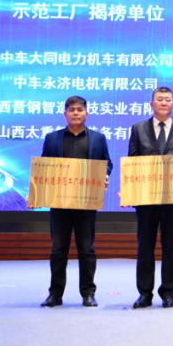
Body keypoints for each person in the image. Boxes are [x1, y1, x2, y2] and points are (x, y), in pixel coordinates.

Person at [39, 96, 112, 308]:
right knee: (58, 250)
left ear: (86, 113)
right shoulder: (52, 138)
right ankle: (55, 294)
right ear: (65, 114)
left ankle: (88, 293)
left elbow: (107, 163)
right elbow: (43, 167)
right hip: (59, 202)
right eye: (72, 110)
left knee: (86, 250)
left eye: (80, 109)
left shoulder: (98, 138)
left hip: (86, 202)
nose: (76, 113)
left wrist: (104, 175)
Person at [127, 87, 173, 308]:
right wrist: (129, 189)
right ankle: (144, 294)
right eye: (160, 99)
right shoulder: (138, 128)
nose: (164, 103)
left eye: (168, 100)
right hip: (145, 200)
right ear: (151, 104)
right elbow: (132, 162)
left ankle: (168, 293)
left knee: (171, 247)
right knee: (144, 247)